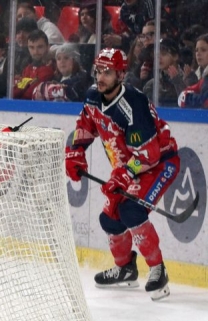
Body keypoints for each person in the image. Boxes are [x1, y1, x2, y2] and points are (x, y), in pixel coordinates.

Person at [64, 48, 179, 301]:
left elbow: (149, 154)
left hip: (160, 163)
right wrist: (75, 152)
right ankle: (126, 269)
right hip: (131, 167)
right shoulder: (94, 96)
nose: (101, 77)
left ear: (121, 74)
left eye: (108, 72)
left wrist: (125, 175)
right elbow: (85, 126)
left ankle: (158, 270)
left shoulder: (133, 104)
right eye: (98, 71)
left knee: (131, 211)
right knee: (111, 221)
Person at [143, 38, 187, 107]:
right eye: (156, 54)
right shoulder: (151, 85)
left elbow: (188, 104)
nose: (159, 57)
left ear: (175, 56)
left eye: (163, 54)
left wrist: (177, 81)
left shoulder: (187, 78)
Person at [179, 33, 208, 108]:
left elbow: (205, 102)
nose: (198, 53)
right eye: (196, 50)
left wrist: (187, 98)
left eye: (203, 50)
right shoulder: (200, 75)